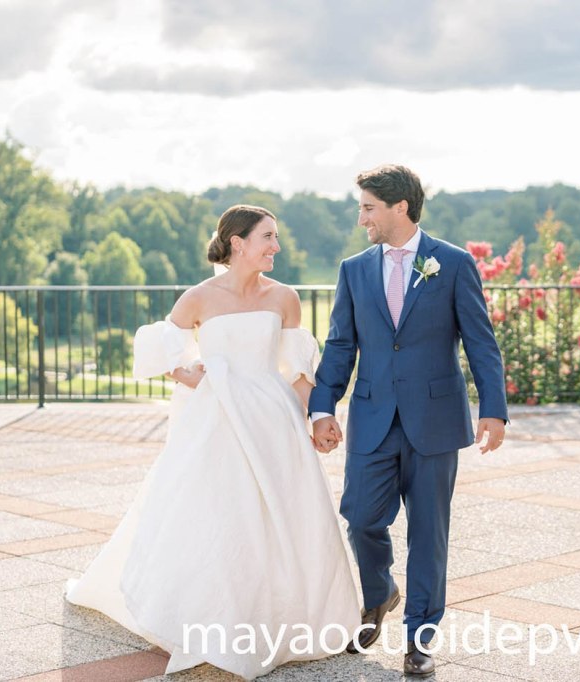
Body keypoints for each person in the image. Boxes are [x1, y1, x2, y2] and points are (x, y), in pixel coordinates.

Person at [65, 205, 360, 680]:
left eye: (276, 237)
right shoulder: (198, 297)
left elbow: (298, 372)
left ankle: (277, 618)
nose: (277, 246)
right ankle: (217, 622)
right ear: (238, 242)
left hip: (272, 419)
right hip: (217, 419)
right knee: (220, 517)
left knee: (282, 515)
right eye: (268, 237)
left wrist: (317, 420)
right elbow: (163, 350)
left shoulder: (285, 297)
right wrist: (190, 376)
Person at [309, 165, 508, 677]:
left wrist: (492, 408)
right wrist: (323, 407)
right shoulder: (354, 269)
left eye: (368, 208)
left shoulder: (453, 263)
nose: (362, 219)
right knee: (361, 518)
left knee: (428, 533)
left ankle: (420, 638)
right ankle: (380, 592)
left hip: (435, 421)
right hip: (372, 416)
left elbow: (480, 341)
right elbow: (340, 344)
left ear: (400, 207)